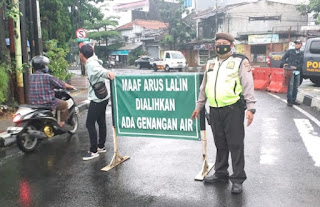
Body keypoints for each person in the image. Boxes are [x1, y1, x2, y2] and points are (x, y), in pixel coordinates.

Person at [191, 32, 256, 194]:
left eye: (224, 43)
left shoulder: (240, 61)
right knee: (220, 144)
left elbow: (248, 84)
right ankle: (221, 173)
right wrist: (199, 106)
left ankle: (238, 178)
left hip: (233, 109)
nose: (220, 45)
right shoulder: (211, 63)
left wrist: (251, 107)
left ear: (231, 45)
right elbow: (204, 87)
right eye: (218, 43)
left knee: (235, 144)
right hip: (214, 110)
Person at [79, 44, 116, 161]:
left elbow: (100, 71)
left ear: (81, 55)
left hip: (97, 99)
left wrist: (108, 74)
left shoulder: (91, 64)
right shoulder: (93, 59)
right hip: (103, 97)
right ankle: (101, 146)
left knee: (90, 124)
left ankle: (94, 150)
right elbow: (95, 59)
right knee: (101, 121)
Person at [29, 55, 75, 127]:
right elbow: (62, 84)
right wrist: (71, 87)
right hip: (47, 103)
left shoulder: (29, 77)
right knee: (64, 104)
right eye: (45, 65)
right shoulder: (48, 77)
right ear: (43, 66)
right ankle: (60, 123)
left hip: (33, 103)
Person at [281, 39, 304, 107]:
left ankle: (294, 99)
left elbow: (302, 63)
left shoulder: (302, 53)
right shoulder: (290, 51)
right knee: (290, 86)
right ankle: (289, 100)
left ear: (301, 45)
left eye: (298, 44)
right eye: (296, 44)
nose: (297, 45)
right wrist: (286, 64)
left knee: (296, 87)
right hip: (290, 71)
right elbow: (283, 58)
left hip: (298, 72)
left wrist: (296, 67)